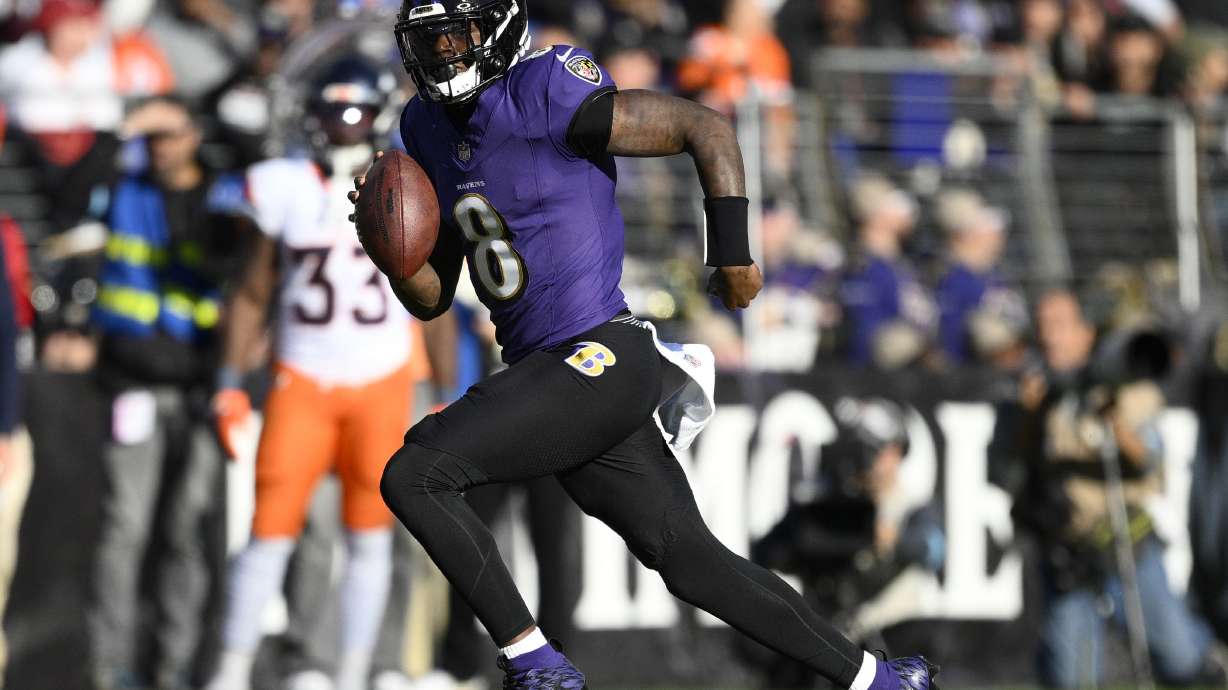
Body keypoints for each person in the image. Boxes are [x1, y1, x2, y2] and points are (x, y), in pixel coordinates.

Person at [350, 2, 940, 689]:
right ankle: (880, 680)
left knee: (415, 473)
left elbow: (703, 125)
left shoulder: (545, 90)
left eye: (458, 36)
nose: (444, 54)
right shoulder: (423, 128)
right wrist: (385, 244)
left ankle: (533, 662)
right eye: (429, 41)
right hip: (550, 372)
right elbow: (432, 297)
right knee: (689, 560)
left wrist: (733, 252)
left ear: (501, 28)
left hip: (596, 353)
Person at [204, 56, 439, 690]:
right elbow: (252, 291)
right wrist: (229, 379)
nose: (343, 126)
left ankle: (358, 671)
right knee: (269, 534)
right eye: (332, 113)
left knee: (370, 538)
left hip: (383, 378)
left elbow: (434, 297)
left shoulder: (408, 182)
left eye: (354, 112)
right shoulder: (284, 184)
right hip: (301, 379)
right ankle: (229, 673)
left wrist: (443, 392)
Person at [89, 95, 246, 690]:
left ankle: (174, 669)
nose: (161, 147)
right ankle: (109, 669)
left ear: (194, 136)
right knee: (122, 531)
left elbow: (213, 259)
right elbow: (70, 188)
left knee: (187, 533)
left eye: (171, 134)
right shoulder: (123, 189)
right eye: (151, 138)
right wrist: (124, 124)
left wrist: (191, 171)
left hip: (198, 385)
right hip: (131, 381)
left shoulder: (220, 197)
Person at [998, 290, 1225, 689]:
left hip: (1127, 546)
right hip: (1068, 554)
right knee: (1072, 677)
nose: (1050, 338)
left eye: (1061, 327)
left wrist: (1113, 421)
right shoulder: (1034, 395)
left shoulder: (1126, 385)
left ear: (1086, 333)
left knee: (1180, 656)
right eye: (1043, 328)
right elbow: (1014, 467)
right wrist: (1031, 417)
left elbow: (1148, 461)